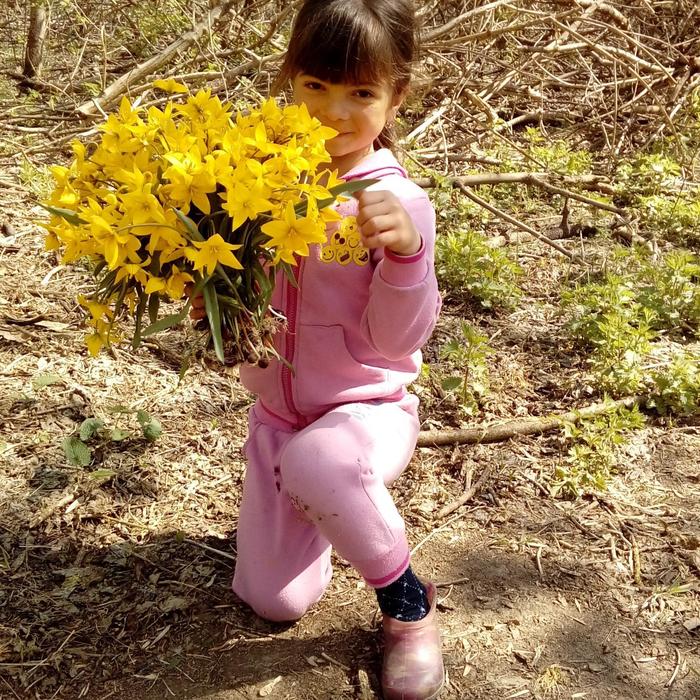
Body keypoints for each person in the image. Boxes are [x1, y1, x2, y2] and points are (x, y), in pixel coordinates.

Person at [198, 1, 443, 697]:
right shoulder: (258, 174)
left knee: (322, 460)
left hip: (367, 411)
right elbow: (230, 289)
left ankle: (409, 607)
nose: (335, 113)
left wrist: (405, 256)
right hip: (280, 420)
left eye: (361, 93)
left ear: (397, 95)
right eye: (316, 87)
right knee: (274, 601)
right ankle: (331, 503)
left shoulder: (393, 205)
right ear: (290, 81)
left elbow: (401, 338)